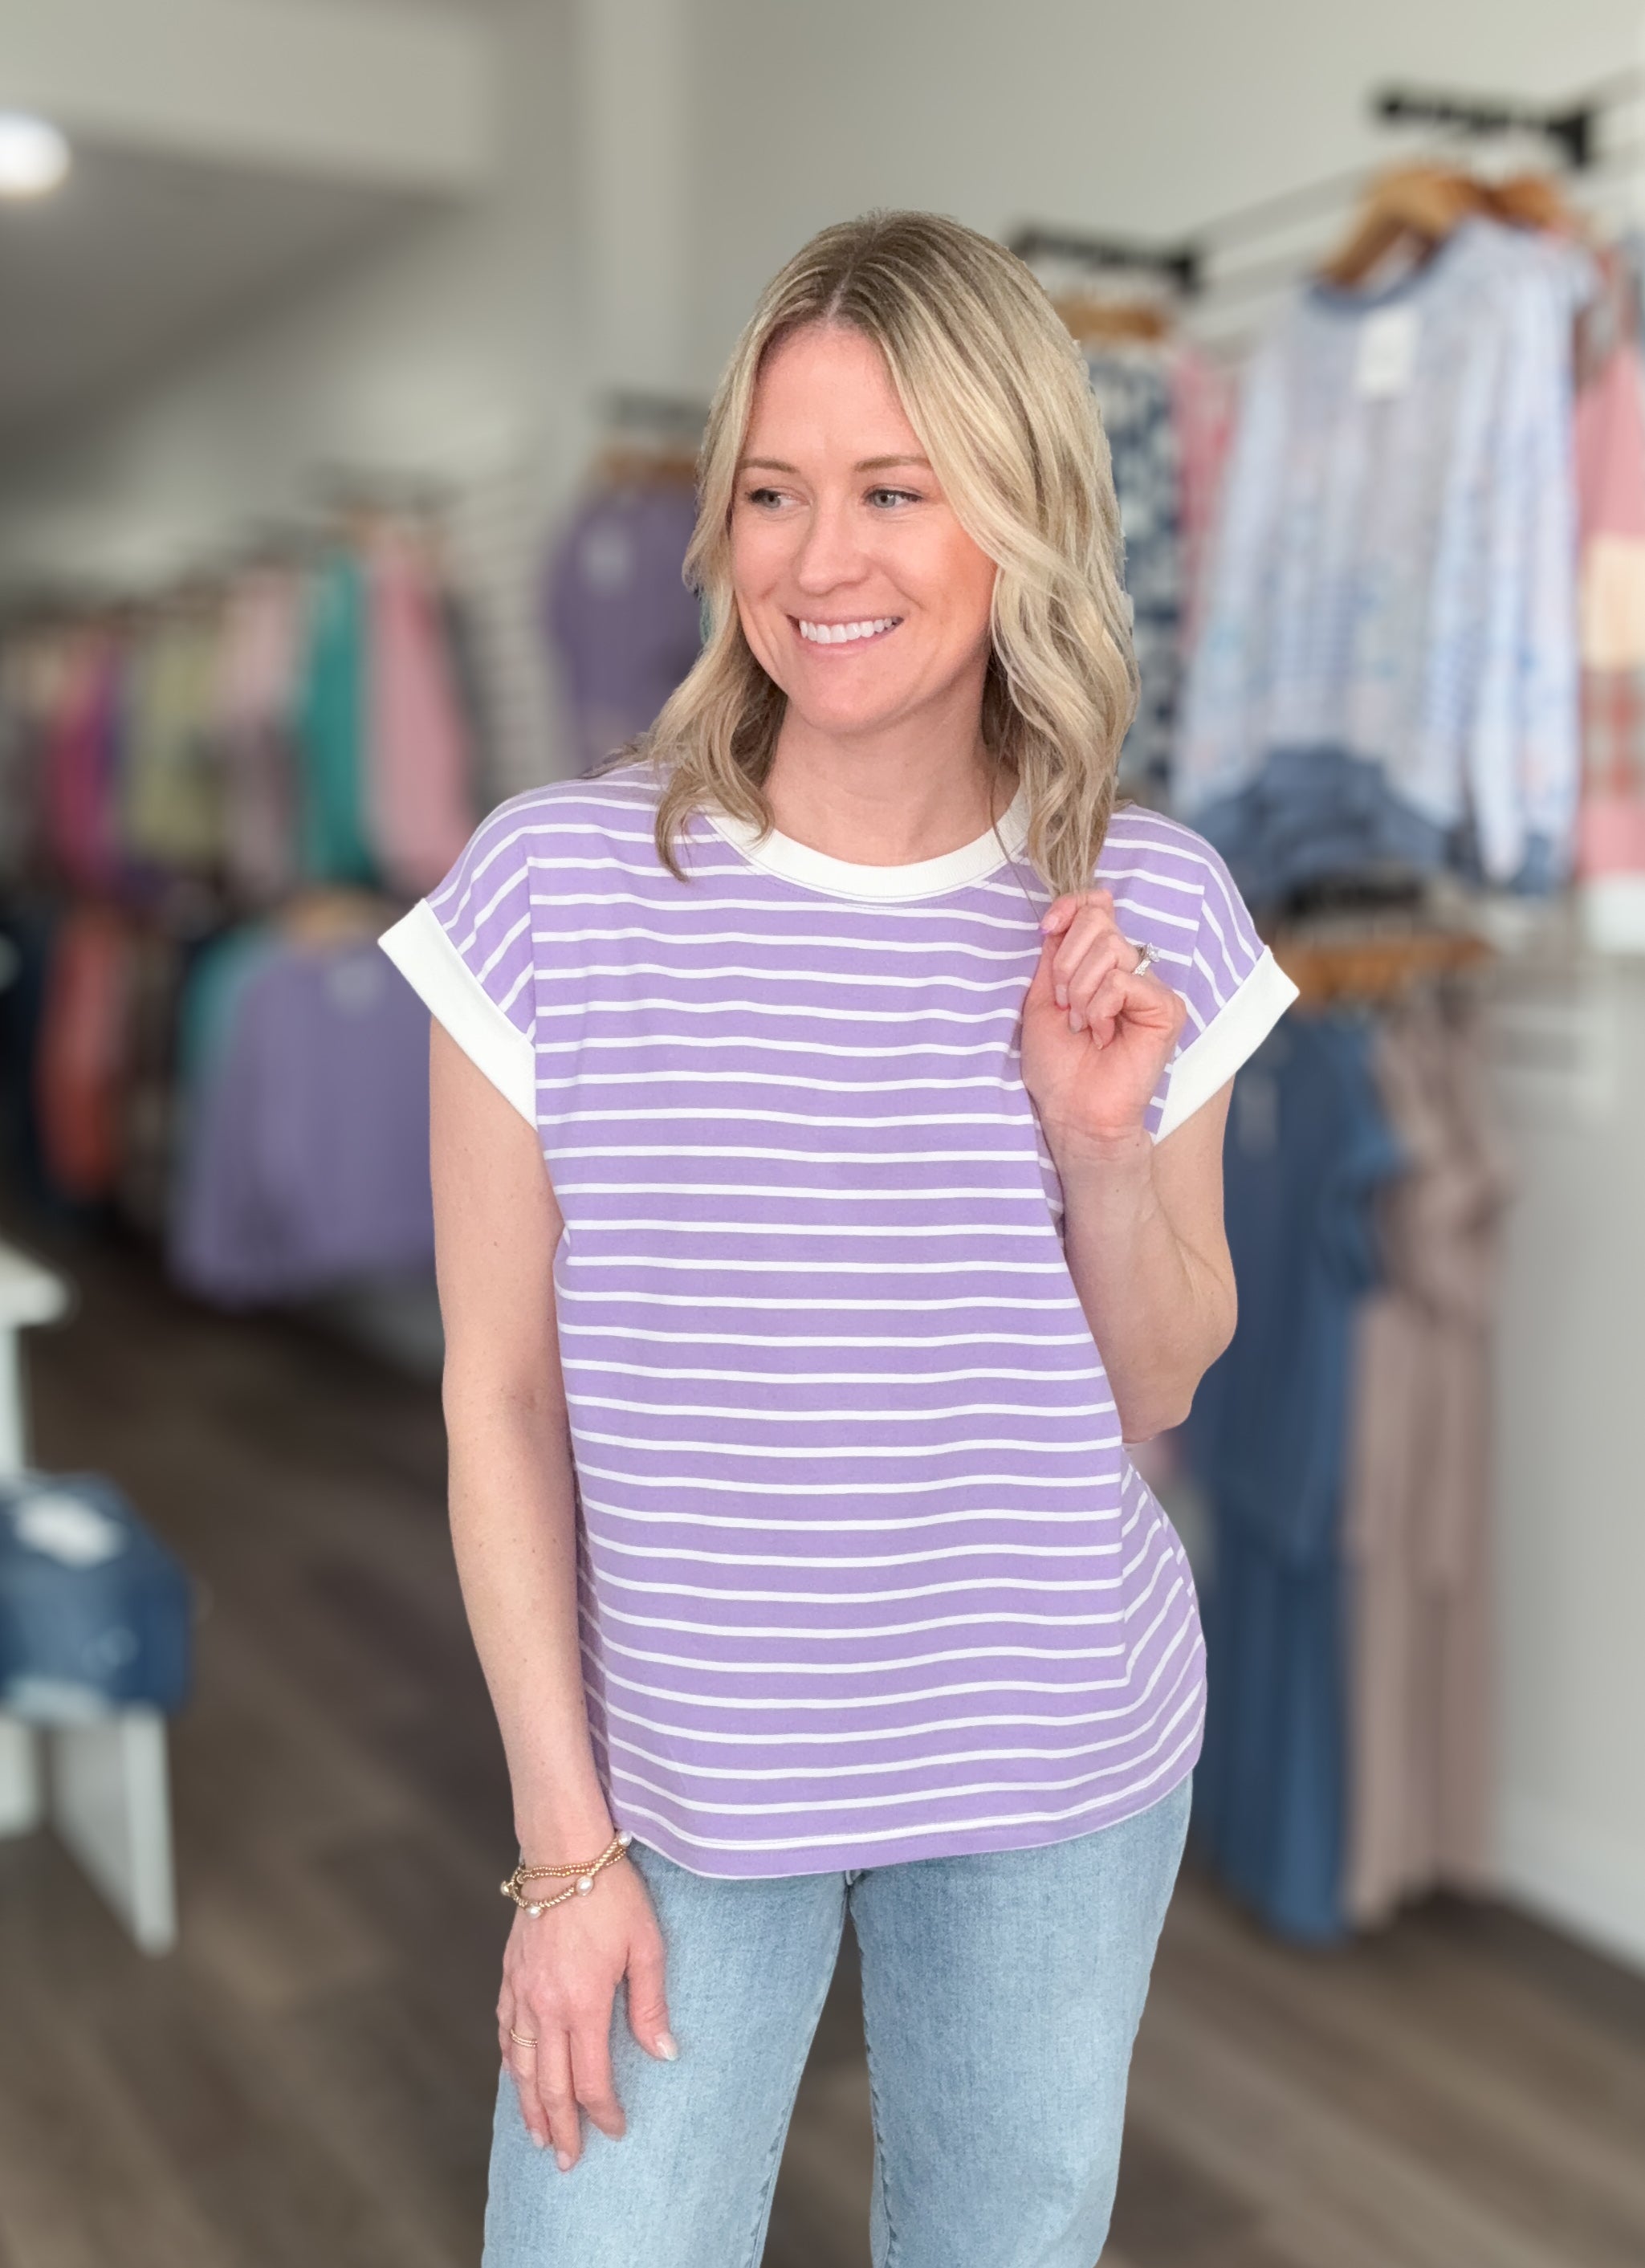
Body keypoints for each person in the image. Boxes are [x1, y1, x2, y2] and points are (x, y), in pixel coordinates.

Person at [381, 210, 1297, 2268]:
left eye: (894, 491)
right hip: (674, 1778)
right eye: (773, 493)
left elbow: (1158, 1376)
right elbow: (498, 1399)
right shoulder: (553, 894)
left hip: (1052, 1751)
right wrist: (559, 1848)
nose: (818, 560)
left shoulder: (1143, 905)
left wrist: (1094, 1147)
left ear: (1016, 515)